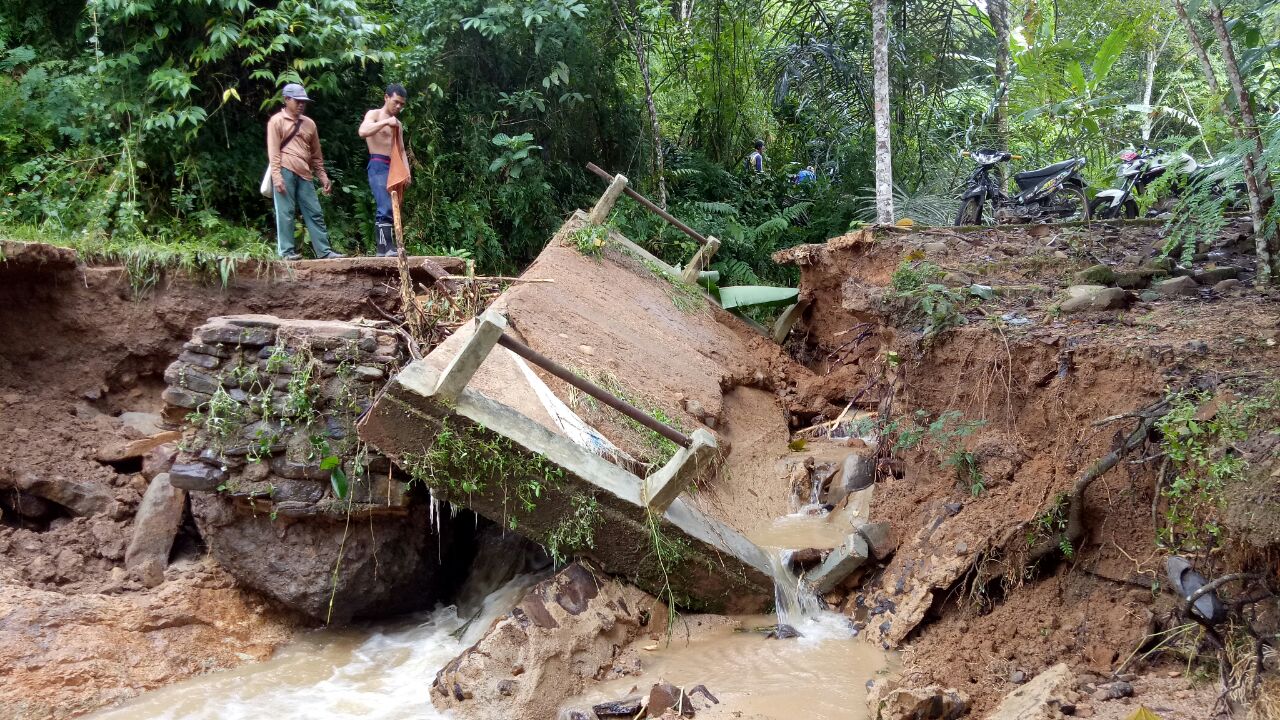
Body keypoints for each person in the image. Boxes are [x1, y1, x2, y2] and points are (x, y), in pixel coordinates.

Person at [267, 83, 342, 260]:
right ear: (286, 100)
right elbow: (274, 151)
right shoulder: (276, 121)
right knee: (285, 212)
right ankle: (286, 252)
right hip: (285, 169)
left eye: (304, 102)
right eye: (297, 101)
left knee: (314, 211)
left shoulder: (310, 124)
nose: (301, 104)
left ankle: (324, 251)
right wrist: (277, 177)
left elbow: (316, 154)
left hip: (305, 173)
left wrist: (323, 176)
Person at [359, 84, 412, 257]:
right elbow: (363, 131)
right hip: (378, 163)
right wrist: (385, 122)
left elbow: (402, 149)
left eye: (401, 104)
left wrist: (407, 172)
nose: (398, 107)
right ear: (386, 97)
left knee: (394, 205)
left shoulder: (398, 124)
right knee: (385, 205)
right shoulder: (374, 115)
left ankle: (384, 250)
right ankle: (386, 248)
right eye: (396, 102)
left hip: (394, 166)